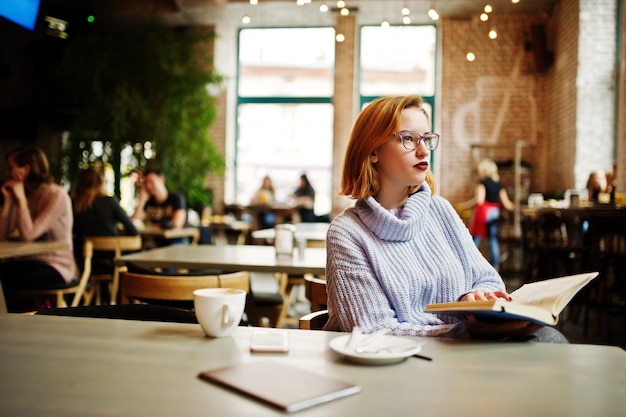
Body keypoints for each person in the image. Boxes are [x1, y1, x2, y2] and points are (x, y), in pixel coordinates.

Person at [323, 94, 567, 343]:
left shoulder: (439, 209)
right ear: (372, 151)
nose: (422, 150)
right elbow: (372, 330)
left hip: (465, 353)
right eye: (408, 138)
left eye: (426, 139)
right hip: (403, 366)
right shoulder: (347, 232)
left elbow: (488, 278)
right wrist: (466, 332)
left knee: (549, 338)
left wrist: (473, 296)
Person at [0, 146, 74, 312]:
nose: (7, 173)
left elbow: (28, 235)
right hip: (29, 263)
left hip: (57, 266)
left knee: (6, 274)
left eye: (11, 167)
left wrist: (20, 201)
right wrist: (7, 203)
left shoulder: (56, 195)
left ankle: (8, 326)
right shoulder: (27, 195)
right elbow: (1, 235)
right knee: (7, 272)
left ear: (26, 169)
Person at [463, 159, 515, 271]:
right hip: (494, 212)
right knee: (493, 240)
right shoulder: (499, 185)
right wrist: (518, 207)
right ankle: (496, 267)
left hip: (484, 212)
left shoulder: (481, 183)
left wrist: (465, 205)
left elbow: (480, 200)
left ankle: (467, 264)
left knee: (475, 239)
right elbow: (507, 204)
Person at [71, 168, 138, 238]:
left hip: (80, 248)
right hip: (109, 248)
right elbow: (133, 231)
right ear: (100, 183)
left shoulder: (73, 203)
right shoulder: (109, 202)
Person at [131, 168, 188, 246]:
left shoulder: (176, 198)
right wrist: (142, 200)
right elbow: (134, 221)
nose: (148, 186)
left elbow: (176, 224)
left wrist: (153, 227)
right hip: (156, 241)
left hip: (176, 241)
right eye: (146, 182)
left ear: (161, 180)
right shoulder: (149, 202)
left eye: (151, 181)